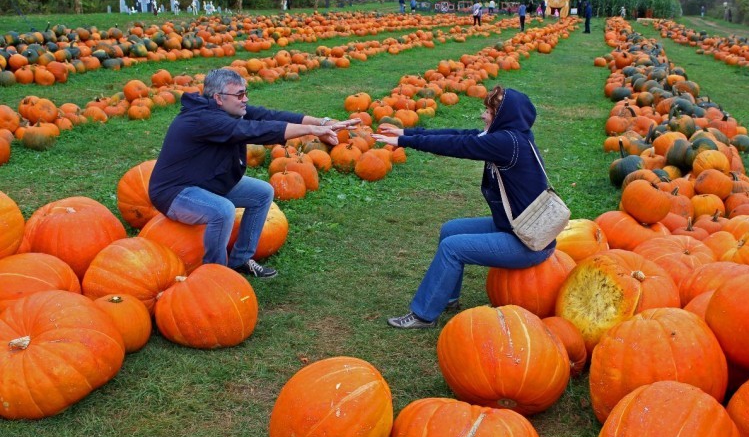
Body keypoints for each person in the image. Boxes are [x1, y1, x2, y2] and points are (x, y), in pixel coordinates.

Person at [370, 87, 557, 329]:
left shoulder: (506, 143)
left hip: (528, 242)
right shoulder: (512, 136)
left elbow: (458, 145)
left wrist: (404, 141)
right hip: (514, 227)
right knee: (451, 230)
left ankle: (423, 315)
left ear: (504, 117)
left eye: (489, 111)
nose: (484, 115)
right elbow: (460, 134)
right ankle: (447, 296)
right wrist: (407, 132)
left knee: (452, 248)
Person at [148, 68, 358, 278]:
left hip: (205, 183)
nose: (245, 99)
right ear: (219, 98)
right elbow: (255, 131)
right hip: (175, 192)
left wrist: (322, 122)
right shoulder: (204, 120)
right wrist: (312, 131)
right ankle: (216, 275)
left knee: (262, 193)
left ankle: (240, 259)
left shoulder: (228, 110)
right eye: (239, 94)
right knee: (222, 211)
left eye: (245, 92)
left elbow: (270, 116)